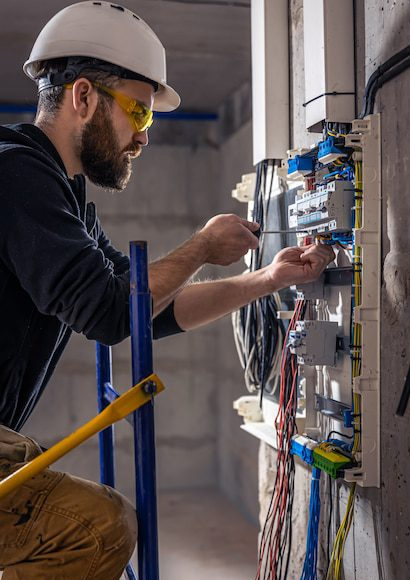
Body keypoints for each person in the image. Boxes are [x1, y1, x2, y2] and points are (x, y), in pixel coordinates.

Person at [0, 2, 334, 579]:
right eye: (139, 114)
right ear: (83, 97)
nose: (144, 136)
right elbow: (108, 311)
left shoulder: (62, 194)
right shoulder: (17, 177)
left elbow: (140, 311)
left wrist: (267, 279)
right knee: (100, 527)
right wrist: (201, 246)